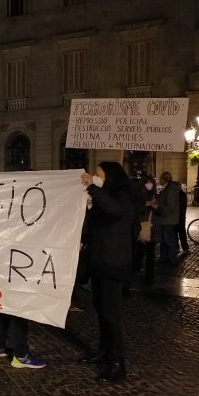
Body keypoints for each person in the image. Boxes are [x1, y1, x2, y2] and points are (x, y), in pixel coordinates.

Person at [80, 161, 133, 383]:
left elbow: (114, 210)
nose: (94, 176)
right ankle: (105, 352)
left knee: (112, 313)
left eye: (99, 174)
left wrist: (93, 186)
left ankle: (118, 363)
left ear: (109, 176)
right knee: (101, 308)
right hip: (100, 260)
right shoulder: (107, 194)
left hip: (113, 263)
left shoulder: (122, 194)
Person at [133, 176, 157, 282]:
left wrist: (156, 207)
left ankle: (149, 275)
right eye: (147, 182)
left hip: (152, 226)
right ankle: (135, 268)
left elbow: (159, 212)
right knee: (139, 251)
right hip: (141, 226)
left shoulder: (155, 195)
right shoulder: (139, 196)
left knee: (150, 253)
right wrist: (146, 204)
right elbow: (136, 210)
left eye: (151, 182)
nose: (149, 184)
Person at [156, 172, 180, 266]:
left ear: (164, 179)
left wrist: (159, 210)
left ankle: (172, 259)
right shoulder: (168, 189)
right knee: (165, 240)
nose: (159, 180)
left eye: (160, 178)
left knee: (169, 240)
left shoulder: (170, 189)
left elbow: (171, 206)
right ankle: (165, 258)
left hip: (168, 220)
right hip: (166, 219)